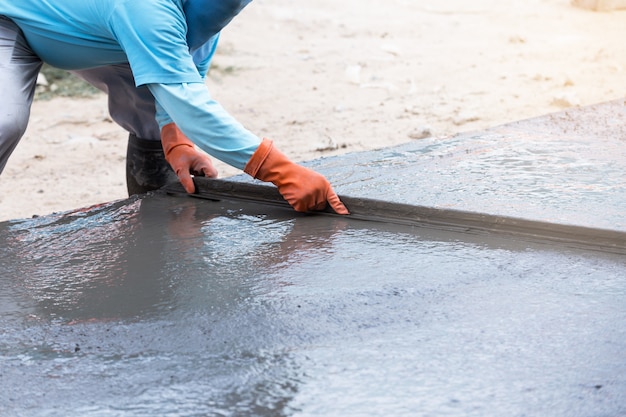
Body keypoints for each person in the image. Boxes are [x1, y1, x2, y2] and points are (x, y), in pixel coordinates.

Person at [0, 0, 349, 214]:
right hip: (13, 18)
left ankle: (156, 217)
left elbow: (183, 82)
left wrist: (176, 140)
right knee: (6, 119)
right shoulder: (148, 10)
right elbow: (191, 106)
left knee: (155, 101)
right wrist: (280, 170)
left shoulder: (203, 16)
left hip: (88, 33)